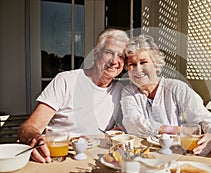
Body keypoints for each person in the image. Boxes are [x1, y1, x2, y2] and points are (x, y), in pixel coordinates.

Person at [18, 28, 129, 163]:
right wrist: (34, 138)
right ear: (96, 54)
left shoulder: (121, 91)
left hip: (97, 159)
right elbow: (28, 128)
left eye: (121, 56)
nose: (114, 61)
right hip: (59, 157)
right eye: (109, 52)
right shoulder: (66, 80)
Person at [120, 34, 211, 156]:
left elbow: (205, 119)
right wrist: (174, 130)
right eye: (132, 64)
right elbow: (132, 122)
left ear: (156, 64)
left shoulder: (177, 88)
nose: (138, 69)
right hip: (145, 155)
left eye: (143, 62)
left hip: (178, 154)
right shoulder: (128, 91)